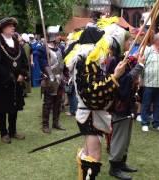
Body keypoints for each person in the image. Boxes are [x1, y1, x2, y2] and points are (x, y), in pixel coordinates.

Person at [64, 17, 127, 180]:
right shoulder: (87, 62)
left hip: (90, 114)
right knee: (94, 157)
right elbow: (92, 92)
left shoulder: (88, 61)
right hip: (89, 114)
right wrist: (115, 77)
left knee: (87, 152)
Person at [107, 37, 143, 179]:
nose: (131, 44)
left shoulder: (124, 59)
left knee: (126, 137)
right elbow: (123, 84)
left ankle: (122, 163)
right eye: (129, 41)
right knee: (120, 136)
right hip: (119, 105)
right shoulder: (116, 62)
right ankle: (114, 167)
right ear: (121, 44)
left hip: (127, 104)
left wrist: (137, 63)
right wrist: (139, 67)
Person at [0, 17, 28, 144]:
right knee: (2, 108)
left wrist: (22, 73)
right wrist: (9, 76)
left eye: (13, 26)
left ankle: (13, 131)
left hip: (17, 82)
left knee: (14, 108)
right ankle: (3, 133)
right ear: (3, 29)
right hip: (2, 82)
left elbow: (24, 60)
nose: (13, 28)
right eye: (10, 26)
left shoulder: (17, 42)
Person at [141, 33, 159, 133]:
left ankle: (157, 124)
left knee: (158, 105)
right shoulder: (147, 50)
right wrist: (140, 80)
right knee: (146, 104)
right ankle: (145, 123)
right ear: (157, 40)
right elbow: (141, 65)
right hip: (149, 83)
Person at [39, 25, 66, 134]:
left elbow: (62, 63)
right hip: (49, 79)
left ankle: (56, 122)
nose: (60, 36)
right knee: (48, 103)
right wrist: (50, 75)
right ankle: (45, 125)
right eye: (58, 35)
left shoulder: (60, 49)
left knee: (58, 102)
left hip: (59, 79)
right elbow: (43, 63)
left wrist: (64, 75)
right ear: (52, 36)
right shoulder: (44, 49)